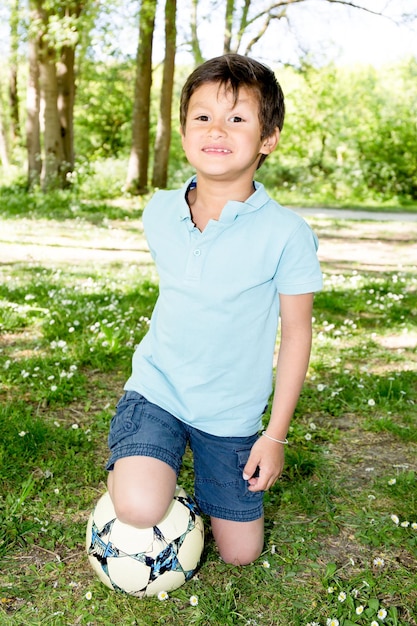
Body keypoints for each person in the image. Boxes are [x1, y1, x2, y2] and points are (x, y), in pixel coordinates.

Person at [106, 53, 322, 566]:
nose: (216, 129)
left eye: (237, 118)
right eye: (202, 116)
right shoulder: (160, 210)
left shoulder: (287, 234)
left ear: (268, 138)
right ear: (183, 131)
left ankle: (181, 489)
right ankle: (145, 473)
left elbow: (296, 335)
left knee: (240, 555)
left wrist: (274, 436)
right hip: (158, 389)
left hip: (231, 414)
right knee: (139, 507)